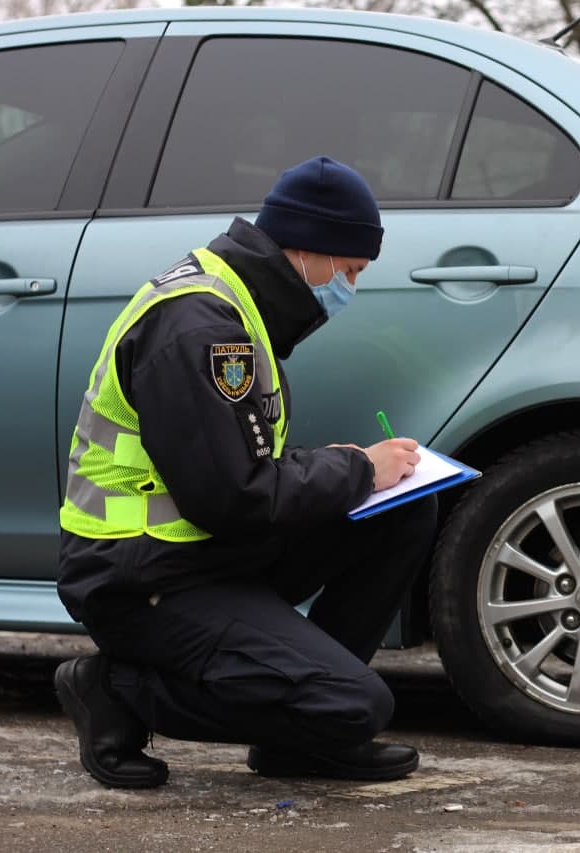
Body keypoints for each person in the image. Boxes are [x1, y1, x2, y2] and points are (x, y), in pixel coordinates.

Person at [54, 156, 436, 789]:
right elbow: (231, 497)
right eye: (349, 270)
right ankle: (116, 688)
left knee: (402, 508)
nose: (349, 287)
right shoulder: (201, 328)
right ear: (309, 250)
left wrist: (353, 472)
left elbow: (236, 464)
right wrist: (353, 468)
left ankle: (300, 742)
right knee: (358, 705)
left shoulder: (238, 304)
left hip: (204, 554)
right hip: (141, 576)